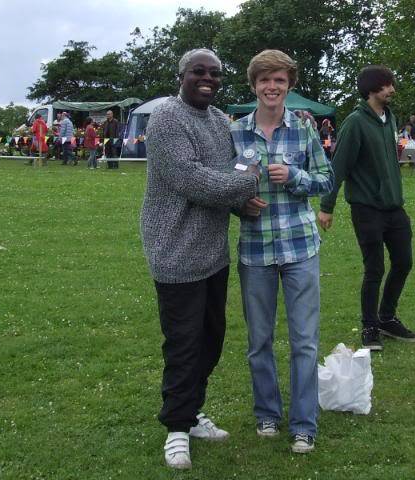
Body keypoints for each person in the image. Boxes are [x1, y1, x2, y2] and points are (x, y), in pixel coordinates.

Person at [140, 48, 260, 470]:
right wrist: (248, 184)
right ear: (182, 75)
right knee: (184, 343)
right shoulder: (167, 119)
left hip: (212, 252)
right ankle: (176, 428)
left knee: (210, 339)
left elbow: (224, 178)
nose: (208, 79)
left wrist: (241, 204)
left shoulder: (217, 121)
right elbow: (191, 179)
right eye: (199, 72)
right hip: (175, 249)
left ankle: (191, 413)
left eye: (215, 74)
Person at [229, 49, 333, 455]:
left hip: (300, 246)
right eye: (265, 81)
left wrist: (296, 177)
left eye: (280, 81)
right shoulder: (235, 132)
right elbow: (224, 185)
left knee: (305, 341)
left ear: (288, 86)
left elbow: (326, 180)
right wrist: (240, 203)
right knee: (259, 340)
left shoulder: (304, 129)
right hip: (255, 250)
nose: (272, 88)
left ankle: (304, 424)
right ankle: (267, 414)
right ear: (254, 85)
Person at [318, 65, 415, 352]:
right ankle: (370, 326)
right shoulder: (354, 122)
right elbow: (338, 167)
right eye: (387, 85)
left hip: (394, 208)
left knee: (404, 262)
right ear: (372, 89)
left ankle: (387, 318)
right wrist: (327, 206)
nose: (392, 90)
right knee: (374, 268)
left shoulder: (389, 119)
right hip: (366, 209)